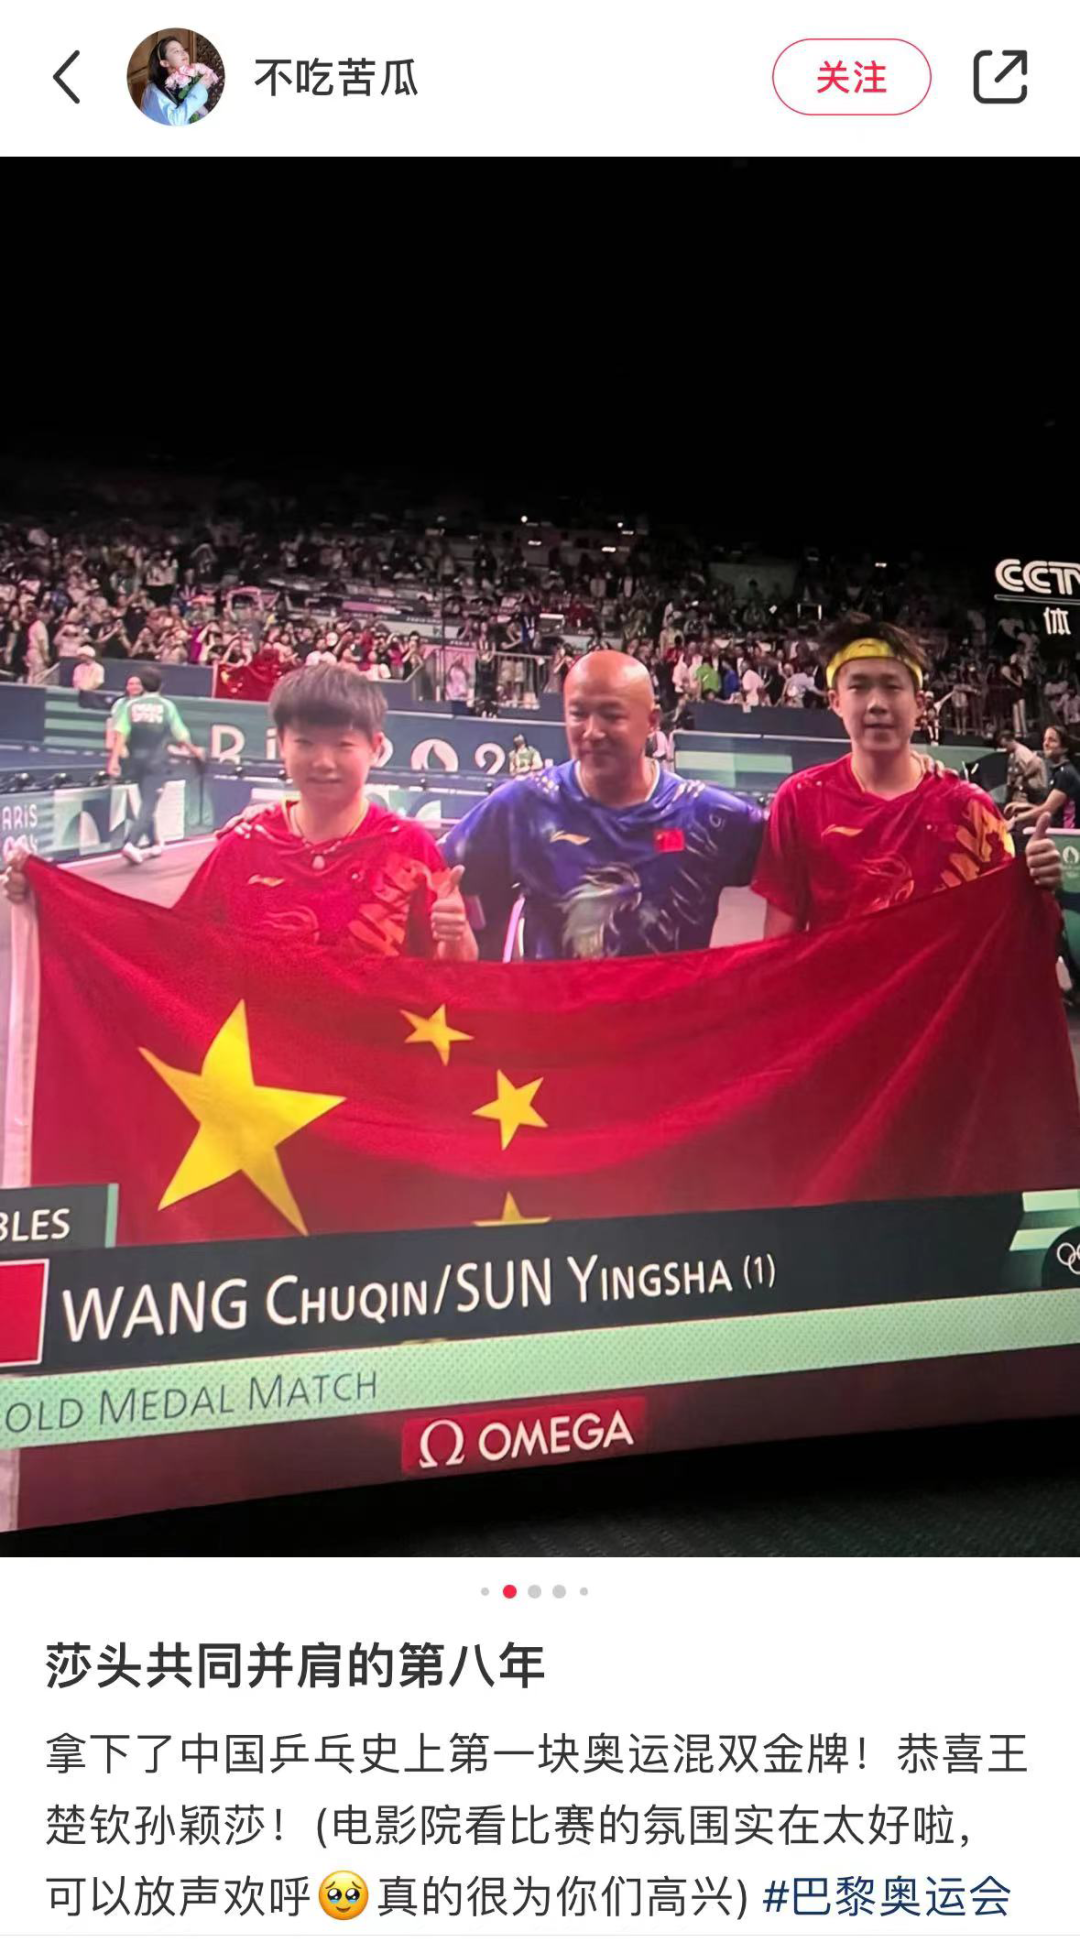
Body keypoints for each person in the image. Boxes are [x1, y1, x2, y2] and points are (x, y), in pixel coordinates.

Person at [6, 665, 476, 964]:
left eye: (343, 745)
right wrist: (48, 897)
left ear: (375, 748)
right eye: (305, 743)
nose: (324, 761)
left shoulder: (409, 847)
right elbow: (172, 947)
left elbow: (458, 972)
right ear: (281, 744)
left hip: (366, 1070)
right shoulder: (246, 844)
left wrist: (454, 936)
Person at [440, 649, 763, 960]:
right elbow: (437, 870)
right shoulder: (524, 805)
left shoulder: (707, 817)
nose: (592, 732)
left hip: (670, 999)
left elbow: (789, 867)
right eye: (578, 714)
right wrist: (458, 924)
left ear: (652, 721)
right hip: (556, 999)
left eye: (611, 716)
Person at [752, 617, 1062, 937]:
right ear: (836, 701)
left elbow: (1006, 931)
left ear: (919, 704)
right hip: (837, 972)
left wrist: (1033, 884)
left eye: (892, 686)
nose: (876, 704)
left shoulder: (970, 810)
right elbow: (779, 943)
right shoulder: (801, 799)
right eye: (859, 686)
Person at [107, 666, 205, 864]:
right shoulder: (166, 706)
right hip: (157, 762)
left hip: (134, 762)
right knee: (149, 804)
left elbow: (120, 734)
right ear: (161, 685)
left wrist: (113, 760)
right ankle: (131, 843)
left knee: (145, 800)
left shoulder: (130, 706)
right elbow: (181, 734)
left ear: (142, 686)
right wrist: (195, 751)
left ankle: (154, 842)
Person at [1007, 724, 1080, 834]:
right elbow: (1055, 809)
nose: (1046, 744)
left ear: (1064, 748)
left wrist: (1016, 819)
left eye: (1052, 740)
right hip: (1059, 832)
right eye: (1045, 739)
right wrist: (1026, 806)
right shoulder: (1058, 772)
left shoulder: (1065, 774)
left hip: (1068, 836)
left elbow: (1048, 809)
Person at [140, 39, 214, 126]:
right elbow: (174, 122)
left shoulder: (184, 83)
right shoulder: (153, 91)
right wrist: (200, 88)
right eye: (176, 51)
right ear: (165, 63)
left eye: (183, 49)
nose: (183, 53)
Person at [998, 728, 1047, 810]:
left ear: (1011, 741)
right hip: (1030, 789)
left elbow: (1036, 763)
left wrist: (1024, 776)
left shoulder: (1021, 751)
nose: (1006, 749)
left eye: (1006, 746)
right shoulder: (1014, 753)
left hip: (1035, 789)